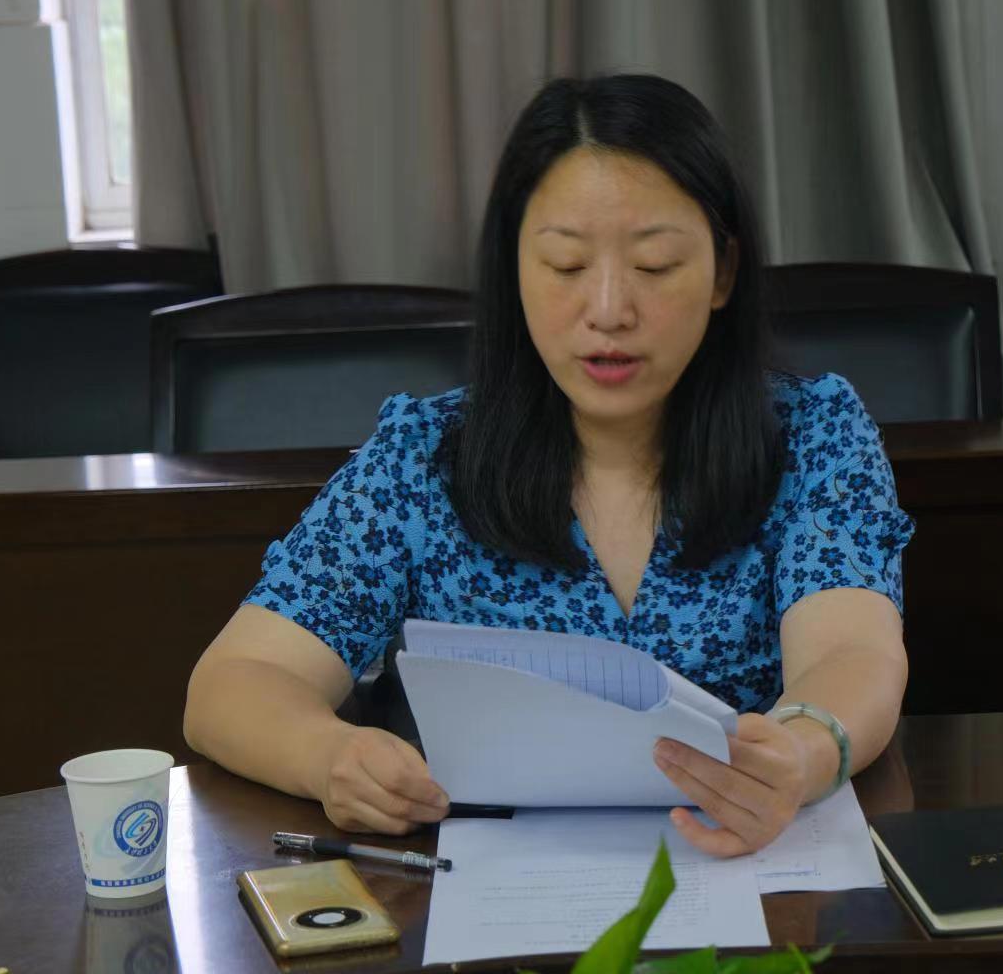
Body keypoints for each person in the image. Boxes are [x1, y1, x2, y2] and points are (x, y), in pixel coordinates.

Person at [183, 74, 914, 858]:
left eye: (656, 265)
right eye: (566, 266)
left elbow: (852, 652)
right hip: (488, 892)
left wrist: (802, 753)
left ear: (723, 273)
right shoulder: (423, 460)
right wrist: (328, 756)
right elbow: (233, 682)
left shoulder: (812, 436)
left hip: (742, 870)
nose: (609, 310)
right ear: (513, 270)